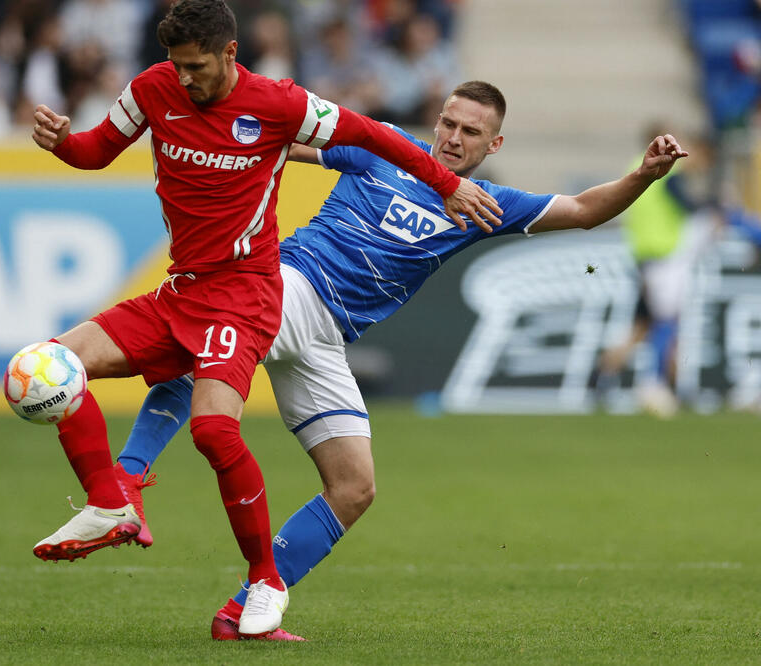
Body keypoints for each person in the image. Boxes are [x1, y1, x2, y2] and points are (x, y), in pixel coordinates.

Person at [109, 81, 688, 640]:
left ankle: (244, 607)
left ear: (494, 144)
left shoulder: (486, 204)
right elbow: (280, 140)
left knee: (354, 487)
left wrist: (643, 174)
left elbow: (584, 209)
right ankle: (126, 482)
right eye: (448, 124)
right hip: (290, 285)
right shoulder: (384, 146)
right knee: (204, 354)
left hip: (328, 337)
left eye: (471, 132)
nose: (453, 138)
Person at [19, 0, 501, 640]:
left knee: (213, 431)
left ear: (229, 53)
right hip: (183, 290)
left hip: (245, 294)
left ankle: (263, 580)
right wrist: (62, 143)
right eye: (176, 64)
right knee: (44, 367)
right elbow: (96, 151)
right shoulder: (152, 88)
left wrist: (443, 182)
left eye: (196, 66)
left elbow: (372, 134)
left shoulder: (280, 103)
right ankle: (111, 502)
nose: (185, 77)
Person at [592, 127, 718, 416]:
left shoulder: (635, 166)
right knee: (666, 323)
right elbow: (689, 207)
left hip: (644, 255)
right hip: (662, 261)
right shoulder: (667, 171)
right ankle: (659, 387)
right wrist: (717, 205)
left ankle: (603, 378)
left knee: (643, 326)